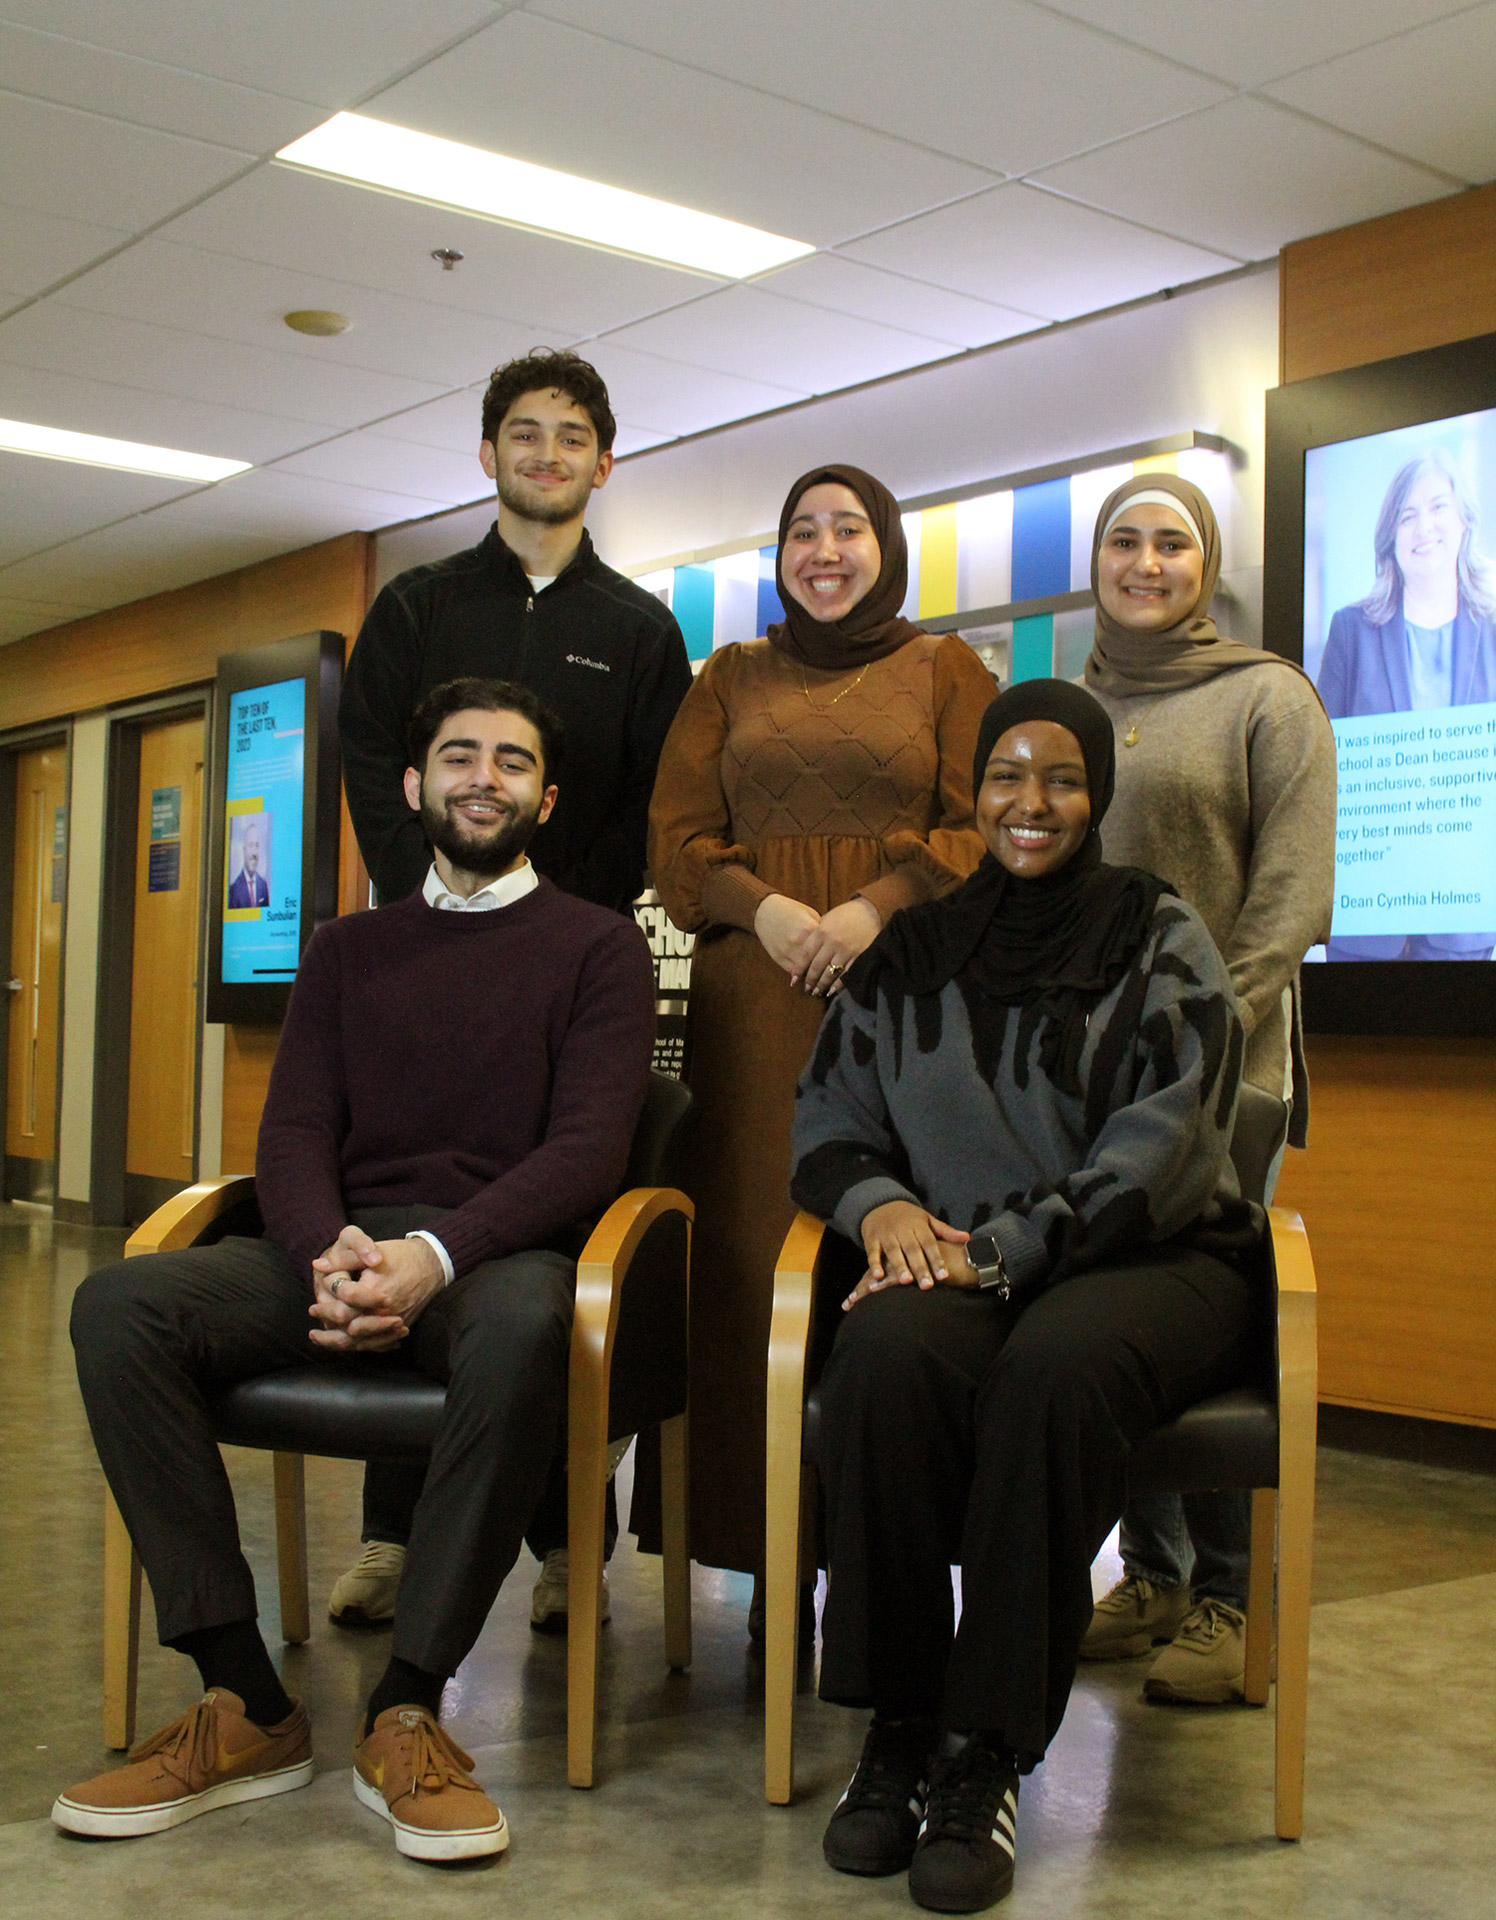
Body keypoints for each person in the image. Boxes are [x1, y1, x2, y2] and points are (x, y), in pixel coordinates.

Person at [55, 680, 654, 1862]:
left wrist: (433, 1256)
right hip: (334, 1248)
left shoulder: (597, 946)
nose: (485, 777)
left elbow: (587, 1151)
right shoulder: (347, 948)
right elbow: (290, 1135)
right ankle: (246, 1703)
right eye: (460, 755)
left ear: (547, 795)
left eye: (513, 761)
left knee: (529, 1324)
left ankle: (407, 1705)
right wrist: (325, 1254)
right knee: (120, 1303)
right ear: (412, 784)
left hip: (491, 1261)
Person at [792, 680, 1262, 1913]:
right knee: (884, 1360)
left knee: (1053, 1371)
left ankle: (987, 1751)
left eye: (1060, 777)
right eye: (1007, 775)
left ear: (1096, 793)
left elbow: (1162, 1152)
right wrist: (881, 1211)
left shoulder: (1157, 935)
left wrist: (1001, 1251)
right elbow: (826, 1118)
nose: (1031, 802)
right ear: (976, 792)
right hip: (957, 1258)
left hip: (1150, 1262)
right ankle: (901, 1724)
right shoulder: (912, 950)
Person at [336, 349, 692, 1634]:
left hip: (574, 972)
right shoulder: (420, 605)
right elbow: (372, 752)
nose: (547, 455)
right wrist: (422, 887)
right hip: (420, 956)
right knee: (403, 1195)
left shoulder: (640, 632)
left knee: (547, 1225)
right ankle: (391, 1529)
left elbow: (663, 802)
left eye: (572, 437)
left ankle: (563, 1543)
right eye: (524, 435)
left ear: (605, 462)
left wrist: (569, 924)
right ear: (485, 455)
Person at [647, 463, 994, 1607]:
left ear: (885, 546)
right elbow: (677, 840)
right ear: (780, 554)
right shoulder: (729, 676)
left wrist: (869, 910)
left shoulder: (946, 669)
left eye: (848, 528)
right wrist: (773, 909)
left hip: (908, 998)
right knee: (751, 1264)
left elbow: (976, 825)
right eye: (802, 530)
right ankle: (758, 1553)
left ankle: (886, 1566)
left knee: (889, 1264)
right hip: (754, 1005)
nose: (825, 549)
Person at [1078, 473, 1335, 1701]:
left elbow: (1290, 893)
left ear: (1205, 562)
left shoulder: (1264, 694)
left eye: (1169, 542)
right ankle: (1157, 1571)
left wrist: (1204, 1030)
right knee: (1118, 1314)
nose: (1144, 562)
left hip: (1230, 1068)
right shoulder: (1065, 702)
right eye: (1122, 541)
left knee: (1216, 1315)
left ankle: (1231, 1595)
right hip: (1081, 1080)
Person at [1317, 447, 1496, 959]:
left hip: (1465, 915)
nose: (1424, 528)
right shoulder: (1351, 630)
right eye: (1407, 515)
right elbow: (1320, 767)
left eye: (1438, 507)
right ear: (1390, 537)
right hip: (1367, 920)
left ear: (1464, 521)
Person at [227, 820, 269, 907]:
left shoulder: (264, 886)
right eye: (250, 845)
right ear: (244, 850)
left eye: (257, 846)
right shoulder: (234, 890)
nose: (254, 853)